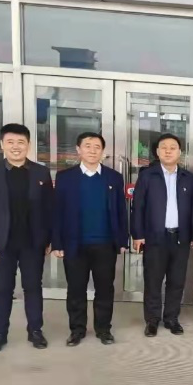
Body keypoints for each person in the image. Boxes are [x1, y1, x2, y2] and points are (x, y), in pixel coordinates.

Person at [0, 124, 53, 355]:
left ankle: (35, 330)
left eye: (21, 142)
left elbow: (49, 209)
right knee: (2, 289)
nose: (16, 147)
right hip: (0, 244)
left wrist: (49, 239)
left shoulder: (41, 173)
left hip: (32, 243)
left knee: (33, 287)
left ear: (28, 145)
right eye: (10, 142)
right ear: (2, 145)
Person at [52, 132, 128, 347]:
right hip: (75, 244)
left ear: (102, 151)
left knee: (105, 289)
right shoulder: (65, 177)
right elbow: (56, 212)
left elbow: (121, 211)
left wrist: (122, 240)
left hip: (105, 244)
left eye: (97, 147)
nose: (92, 150)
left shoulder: (114, 177)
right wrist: (57, 242)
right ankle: (77, 330)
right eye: (87, 146)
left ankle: (104, 329)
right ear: (78, 149)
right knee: (76, 289)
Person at [132, 133, 193, 337]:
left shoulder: (188, 178)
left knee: (176, 281)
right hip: (154, 237)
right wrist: (138, 234)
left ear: (179, 152)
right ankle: (152, 320)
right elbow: (138, 207)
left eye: (172, 148)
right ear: (157, 152)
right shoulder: (147, 176)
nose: (168, 151)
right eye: (164, 147)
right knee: (153, 281)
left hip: (180, 237)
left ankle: (171, 318)